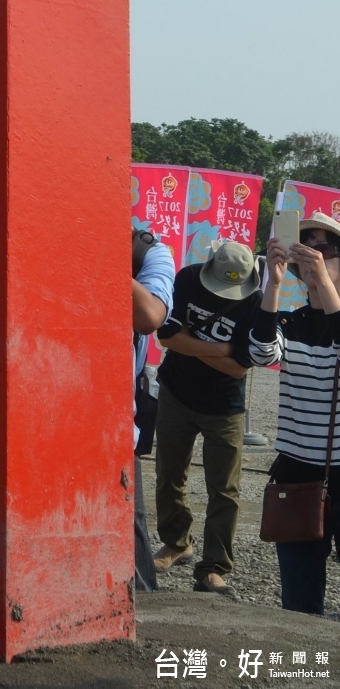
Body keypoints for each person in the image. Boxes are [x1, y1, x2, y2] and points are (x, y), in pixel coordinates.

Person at [151, 240, 272, 598]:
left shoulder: (255, 301)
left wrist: (192, 345)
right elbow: (167, 335)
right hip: (176, 392)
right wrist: (221, 349)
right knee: (169, 473)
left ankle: (214, 568)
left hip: (225, 408)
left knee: (225, 490)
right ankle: (176, 542)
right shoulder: (187, 279)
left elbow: (240, 369)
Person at [257, 212, 340, 616]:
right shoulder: (291, 322)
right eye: (306, 247)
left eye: (326, 249)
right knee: (299, 602)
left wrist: (324, 283)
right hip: (295, 472)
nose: (315, 257)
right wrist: (272, 283)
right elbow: (260, 352)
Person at [131, 226, 174, 595]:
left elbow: (148, 316)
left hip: (114, 424)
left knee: (129, 531)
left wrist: (103, 245)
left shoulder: (147, 251)